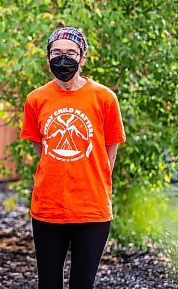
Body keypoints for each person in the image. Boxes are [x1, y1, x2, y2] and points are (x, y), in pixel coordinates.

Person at [19, 27, 126, 289]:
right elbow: (41, 147)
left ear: (83, 58)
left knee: (83, 284)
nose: (63, 58)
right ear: (47, 57)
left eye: (70, 53)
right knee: (49, 283)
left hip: (92, 210)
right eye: (56, 52)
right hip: (48, 209)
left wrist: (91, 177)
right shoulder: (36, 99)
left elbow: (109, 151)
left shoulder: (104, 98)